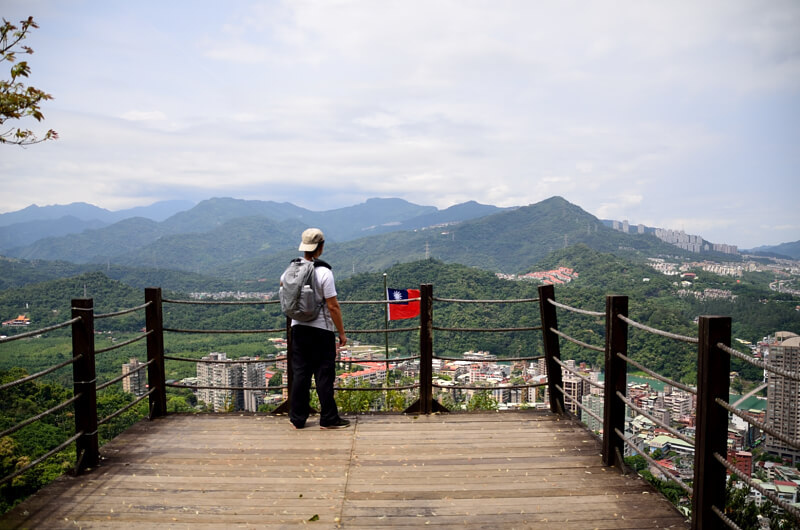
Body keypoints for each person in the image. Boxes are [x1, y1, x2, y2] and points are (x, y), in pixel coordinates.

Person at [282, 228, 350, 429]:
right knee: (324, 374)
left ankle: (297, 418)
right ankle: (329, 418)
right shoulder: (324, 272)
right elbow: (333, 306)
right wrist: (342, 333)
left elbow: (282, 285)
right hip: (321, 331)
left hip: (298, 329)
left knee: (300, 374)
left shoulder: (292, 269)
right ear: (321, 246)